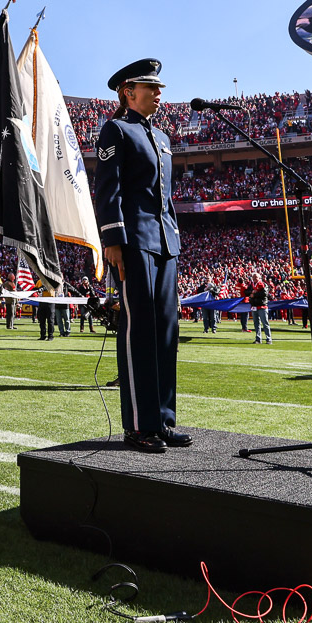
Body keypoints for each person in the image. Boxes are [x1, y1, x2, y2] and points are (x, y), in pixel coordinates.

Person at [93, 58, 187, 454]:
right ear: (128, 91)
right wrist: (111, 240)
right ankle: (138, 425)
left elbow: (164, 197)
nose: (159, 93)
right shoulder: (116, 129)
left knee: (166, 332)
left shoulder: (162, 137)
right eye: (151, 87)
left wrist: (175, 238)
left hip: (165, 243)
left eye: (160, 87)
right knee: (138, 332)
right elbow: (108, 188)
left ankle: (163, 420)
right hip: (132, 242)